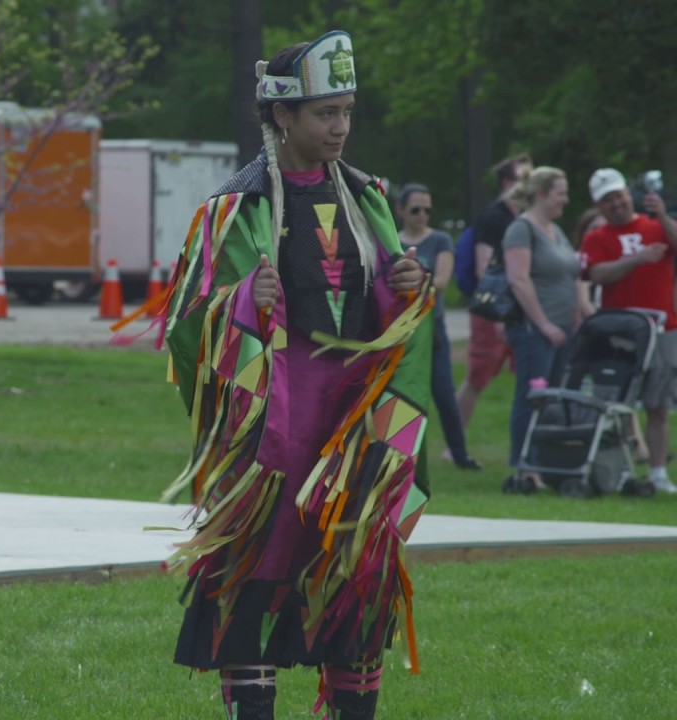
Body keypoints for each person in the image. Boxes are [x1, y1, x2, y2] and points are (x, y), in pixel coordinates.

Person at [160, 31, 432, 720]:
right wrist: (245, 301)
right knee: (260, 565)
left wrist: (407, 286)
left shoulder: (368, 199)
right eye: (324, 113)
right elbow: (188, 324)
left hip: (352, 425)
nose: (340, 126)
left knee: (351, 563)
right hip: (276, 428)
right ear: (283, 115)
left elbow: (391, 315)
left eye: (346, 111)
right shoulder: (237, 208)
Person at [579, 167, 677, 493]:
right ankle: (621, 469)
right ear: (600, 205)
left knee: (658, 403)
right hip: (620, 330)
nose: (616, 204)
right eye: (608, 200)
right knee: (618, 403)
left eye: (619, 196)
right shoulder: (597, 237)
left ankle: (659, 471)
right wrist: (637, 259)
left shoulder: (654, 227)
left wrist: (663, 216)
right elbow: (597, 273)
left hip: (662, 328)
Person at [502, 166, 589, 488]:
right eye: (560, 193)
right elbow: (519, 279)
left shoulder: (556, 230)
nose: (565, 200)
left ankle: (546, 463)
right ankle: (525, 466)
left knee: (551, 399)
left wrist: (579, 311)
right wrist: (544, 324)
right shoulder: (521, 229)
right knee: (531, 397)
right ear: (540, 194)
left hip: (563, 329)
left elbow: (571, 272)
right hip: (534, 330)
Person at [396, 183, 482, 470]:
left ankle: (460, 455)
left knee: (444, 394)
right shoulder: (391, 240)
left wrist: (407, 282)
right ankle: (399, 456)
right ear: (401, 211)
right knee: (402, 395)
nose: (422, 215)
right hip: (399, 330)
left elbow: (442, 282)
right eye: (416, 209)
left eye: (427, 210)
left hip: (432, 328)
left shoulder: (440, 240)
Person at [454, 154, 533, 434]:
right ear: (507, 182)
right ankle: (455, 444)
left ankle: (526, 441)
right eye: (525, 178)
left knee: (529, 377)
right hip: (493, 313)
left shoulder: (525, 218)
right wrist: (499, 315)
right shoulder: (494, 217)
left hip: (520, 310)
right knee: (477, 377)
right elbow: (483, 268)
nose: (531, 184)